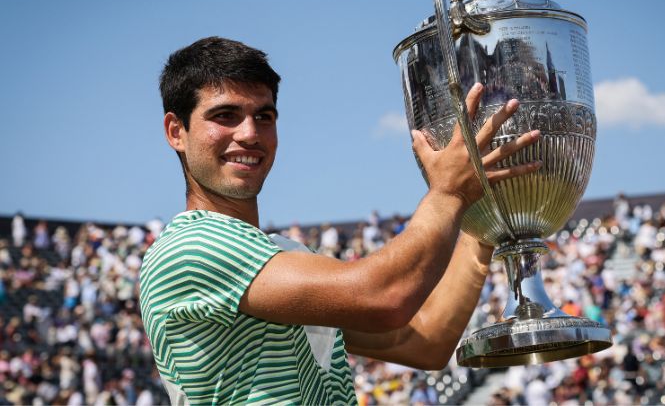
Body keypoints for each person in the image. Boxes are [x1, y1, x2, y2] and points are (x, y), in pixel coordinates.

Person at [138, 36, 541, 404]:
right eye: (225, 115)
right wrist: (450, 192)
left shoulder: (285, 255)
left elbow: (427, 342)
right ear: (177, 132)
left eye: (264, 116)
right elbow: (384, 298)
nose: (249, 133)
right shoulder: (189, 248)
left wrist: (484, 219)